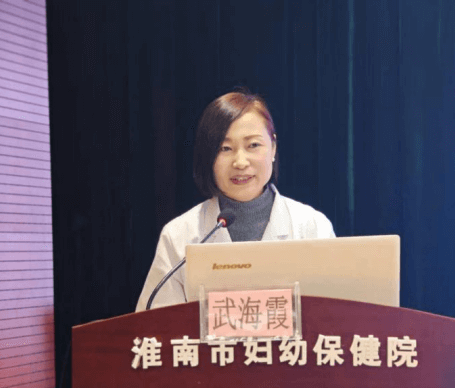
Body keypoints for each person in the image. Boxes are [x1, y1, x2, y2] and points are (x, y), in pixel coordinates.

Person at [136, 91, 335, 311]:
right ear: (209, 157)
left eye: (253, 145)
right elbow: (154, 325)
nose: (240, 162)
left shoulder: (313, 227)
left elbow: (337, 317)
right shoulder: (179, 235)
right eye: (225, 149)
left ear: (273, 148)